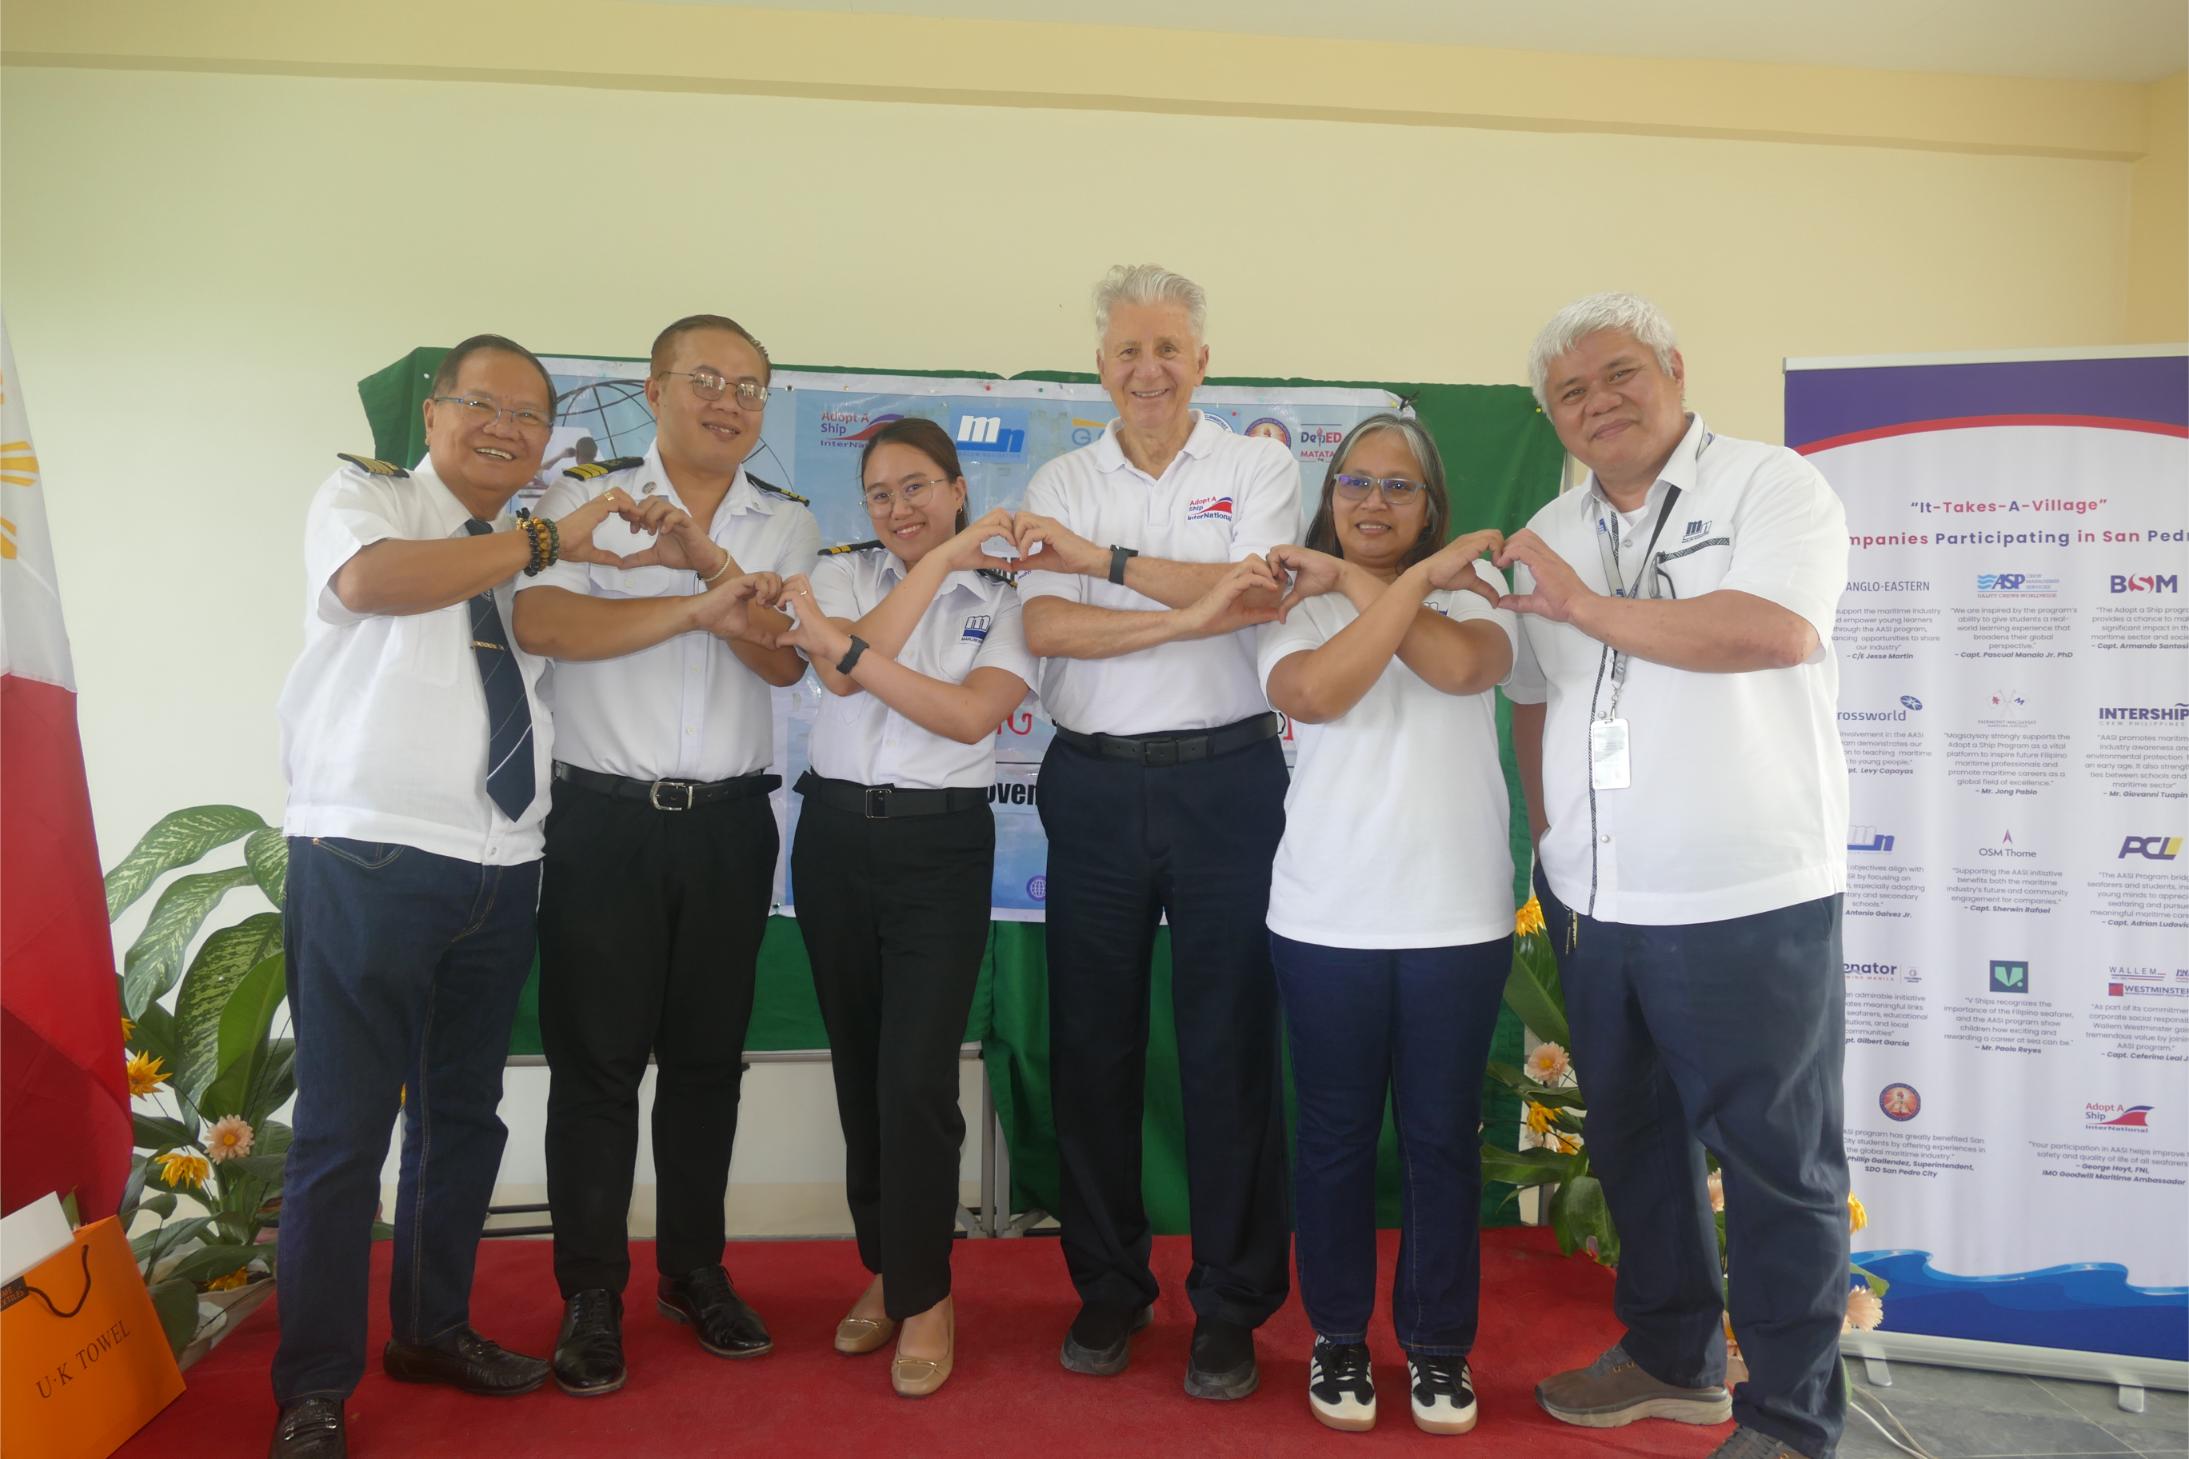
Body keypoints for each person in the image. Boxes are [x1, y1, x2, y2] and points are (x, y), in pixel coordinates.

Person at [270, 334, 651, 1458]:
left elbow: (554, 634)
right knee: (342, 1132)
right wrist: (540, 540)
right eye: (485, 405)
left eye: (530, 416)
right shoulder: (371, 499)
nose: (507, 429)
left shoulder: (530, 538)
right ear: (434, 414)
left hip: (502, 857)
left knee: (461, 1118)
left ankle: (432, 1328)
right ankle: (313, 1386)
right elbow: (370, 584)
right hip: (369, 853)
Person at [1501, 293, 1852, 1459]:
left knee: (1774, 1163)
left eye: (1618, 374)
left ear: (1673, 369)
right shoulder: (1550, 523)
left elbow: (1771, 629)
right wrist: (1552, 837)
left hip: (1743, 894)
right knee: (1632, 1141)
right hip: (1596, 895)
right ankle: (1668, 1355)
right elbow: (1533, 694)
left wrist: (1585, 605)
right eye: (1569, 392)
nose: (1596, 403)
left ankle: (1789, 1418)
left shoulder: (1768, 486)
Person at [510, 313, 820, 1398]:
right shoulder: (583, 499)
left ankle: (694, 1270)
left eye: (749, 386)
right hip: (603, 821)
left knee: (704, 1063)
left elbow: (785, 661)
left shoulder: (784, 522)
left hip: (730, 823)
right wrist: (699, 609)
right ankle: (591, 1292)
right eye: (705, 380)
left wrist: (712, 574)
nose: (728, 402)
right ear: (652, 390)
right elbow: (545, 624)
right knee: (596, 1068)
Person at [1011, 263, 1296, 1401]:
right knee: (1093, 1047)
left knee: (1228, 1047)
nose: (1147, 370)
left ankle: (1229, 1303)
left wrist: (1107, 567)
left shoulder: (1256, 466)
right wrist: (1189, 609)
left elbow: (1258, 598)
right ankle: (1108, 1285)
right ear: (1100, 366)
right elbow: (1046, 627)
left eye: (1167, 348)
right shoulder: (1059, 477)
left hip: (1228, 783)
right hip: (1092, 784)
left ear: (1201, 361)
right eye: (1128, 351)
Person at [1257, 415, 1516, 1436]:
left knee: (1442, 1139)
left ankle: (1439, 1345)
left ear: (1430, 505)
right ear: (1329, 497)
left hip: (1456, 917)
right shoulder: (1294, 606)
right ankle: (1337, 1335)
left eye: (1398, 487)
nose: (1372, 501)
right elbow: (1317, 693)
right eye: (1354, 482)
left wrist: (1381, 584)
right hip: (1327, 916)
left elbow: (1457, 669)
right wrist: (1376, 582)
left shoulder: (1473, 596)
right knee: (1332, 1138)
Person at [772, 417, 1035, 1398]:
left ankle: (928, 1295)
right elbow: (838, 668)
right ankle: (887, 1268)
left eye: (917, 486)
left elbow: (967, 715)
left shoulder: (1007, 596)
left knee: (915, 1077)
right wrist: (924, 574)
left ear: (958, 489)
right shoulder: (839, 573)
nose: (898, 507)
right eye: (879, 493)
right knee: (859, 1070)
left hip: (939, 847)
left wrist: (853, 649)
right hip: (835, 838)